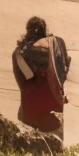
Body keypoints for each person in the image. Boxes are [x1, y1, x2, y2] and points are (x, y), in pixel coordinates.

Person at [12, 15, 69, 147]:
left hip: (30, 110)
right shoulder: (55, 47)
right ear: (44, 30)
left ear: (27, 30)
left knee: (30, 148)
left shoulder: (19, 53)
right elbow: (63, 73)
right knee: (56, 148)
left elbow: (25, 83)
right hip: (54, 107)